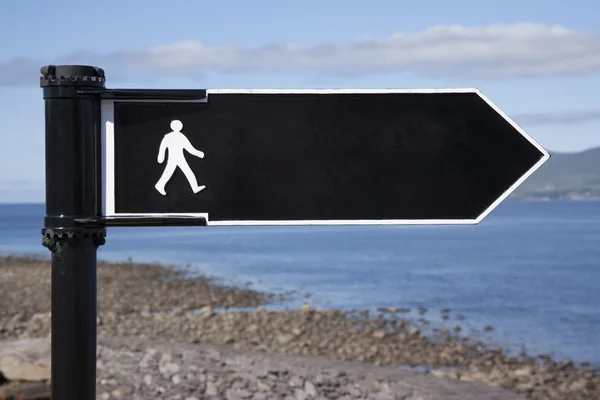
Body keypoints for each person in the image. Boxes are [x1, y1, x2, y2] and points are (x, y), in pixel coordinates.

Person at [154, 120, 205, 196]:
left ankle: (195, 187)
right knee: (183, 172)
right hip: (175, 158)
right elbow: (190, 149)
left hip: (178, 158)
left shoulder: (173, 136)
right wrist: (161, 156)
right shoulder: (176, 136)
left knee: (185, 172)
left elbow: (189, 148)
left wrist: (161, 156)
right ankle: (160, 185)